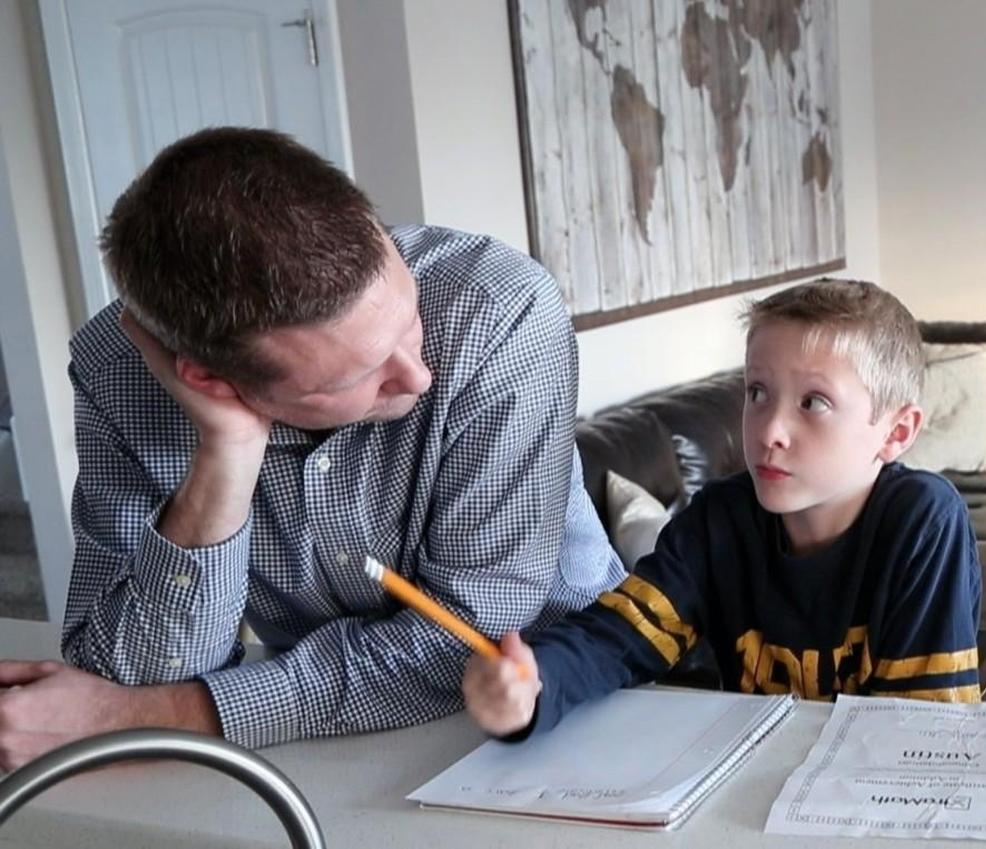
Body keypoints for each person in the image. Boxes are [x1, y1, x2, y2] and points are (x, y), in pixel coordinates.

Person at [0, 126, 625, 770]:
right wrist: (227, 453)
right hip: (326, 754)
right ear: (212, 381)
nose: (417, 376)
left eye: (407, 319)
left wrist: (148, 718)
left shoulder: (500, 313)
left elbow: (468, 640)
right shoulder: (117, 375)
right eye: (357, 376)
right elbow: (131, 670)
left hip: (578, 709)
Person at [464, 280, 982, 739]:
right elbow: (620, 636)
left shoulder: (923, 520)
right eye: (757, 392)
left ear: (896, 432)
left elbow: (921, 734)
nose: (769, 430)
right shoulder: (720, 520)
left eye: (814, 403)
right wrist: (536, 682)